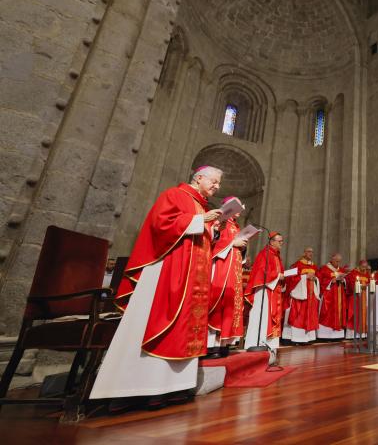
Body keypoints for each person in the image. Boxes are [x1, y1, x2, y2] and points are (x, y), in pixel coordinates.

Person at [90, 166, 224, 406]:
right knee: (155, 320)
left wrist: (211, 230)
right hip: (169, 272)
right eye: (214, 181)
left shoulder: (202, 206)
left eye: (219, 183)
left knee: (184, 326)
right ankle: (135, 387)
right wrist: (199, 220)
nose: (217, 186)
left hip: (192, 277)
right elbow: (161, 225)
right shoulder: (175, 195)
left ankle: (172, 386)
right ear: (199, 177)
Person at [205, 197, 248, 358]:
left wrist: (242, 246)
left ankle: (223, 343)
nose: (240, 211)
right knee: (218, 302)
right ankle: (210, 345)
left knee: (230, 304)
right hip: (221, 268)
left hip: (234, 270)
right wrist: (233, 243)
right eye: (237, 207)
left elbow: (236, 248)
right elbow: (214, 244)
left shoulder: (236, 226)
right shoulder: (221, 221)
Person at [244, 231, 284, 352]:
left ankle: (271, 345)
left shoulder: (276, 255)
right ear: (272, 242)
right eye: (279, 241)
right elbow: (261, 272)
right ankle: (258, 342)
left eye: (282, 241)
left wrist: (281, 278)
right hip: (264, 293)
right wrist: (278, 276)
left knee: (270, 318)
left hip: (273, 291)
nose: (282, 243)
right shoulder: (265, 254)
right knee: (262, 317)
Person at [282, 247, 320, 344]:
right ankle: (295, 338)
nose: (310, 253)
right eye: (308, 252)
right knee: (298, 315)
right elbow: (290, 279)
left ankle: (307, 338)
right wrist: (305, 277)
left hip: (311, 296)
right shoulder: (297, 265)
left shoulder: (314, 266)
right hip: (300, 295)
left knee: (309, 315)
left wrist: (315, 279)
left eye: (312, 252)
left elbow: (318, 279)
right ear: (304, 253)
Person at [316, 253, 347, 339]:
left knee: (339, 313)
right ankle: (325, 336)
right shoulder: (325, 269)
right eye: (337, 261)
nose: (338, 263)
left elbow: (345, 282)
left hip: (339, 295)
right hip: (329, 295)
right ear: (332, 259)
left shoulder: (341, 269)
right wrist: (331, 281)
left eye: (339, 261)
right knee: (327, 315)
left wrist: (343, 280)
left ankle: (337, 336)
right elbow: (319, 281)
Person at [346, 260, 372, 338]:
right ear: (359, 265)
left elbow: (371, 284)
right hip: (356, 297)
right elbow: (351, 285)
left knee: (365, 315)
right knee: (355, 314)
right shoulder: (353, 273)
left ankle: (363, 334)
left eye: (365, 267)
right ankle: (352, 335)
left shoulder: (367, 274)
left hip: (365, 297)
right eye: (363, 267)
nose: (364, 269)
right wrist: (361, 287)